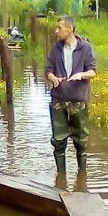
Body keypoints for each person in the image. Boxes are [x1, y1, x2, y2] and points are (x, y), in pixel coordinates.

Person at [45, 16, 97, 173]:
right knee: (58, 140)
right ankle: (61, 177)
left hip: (78, 100)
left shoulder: (85, 47)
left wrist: (81, 75)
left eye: (59, 28)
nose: (56, 31)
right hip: (58, 99)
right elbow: (48, 71)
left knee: (81, 140)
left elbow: (93, 71)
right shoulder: (56, 49)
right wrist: (53, 78)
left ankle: (82, 175)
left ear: (69, 29)